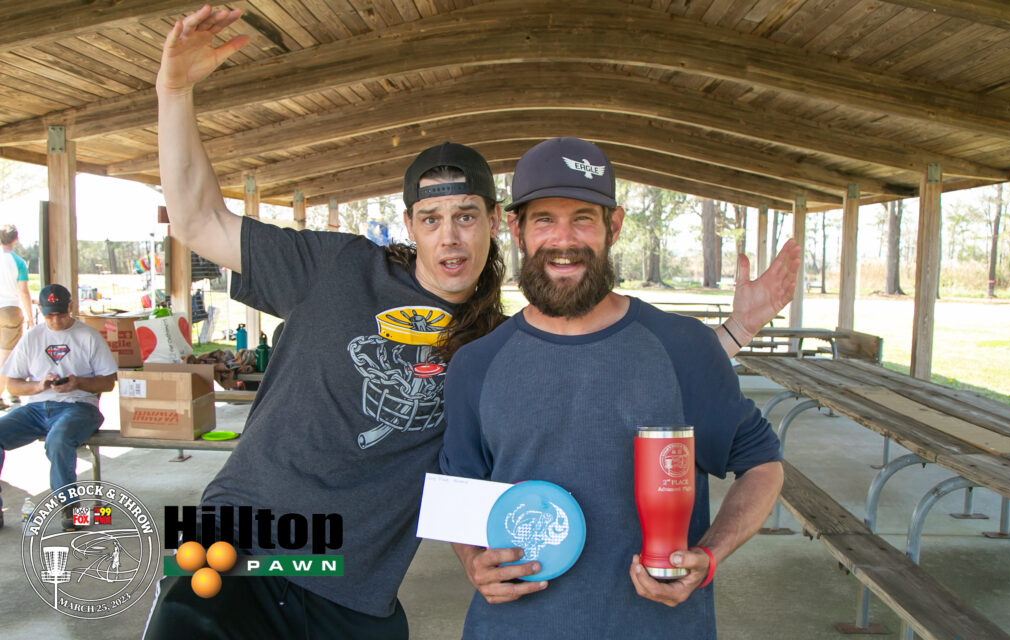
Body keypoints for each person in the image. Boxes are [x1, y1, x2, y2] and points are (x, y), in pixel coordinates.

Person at [145, 7, 798, 638]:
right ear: (411, 224)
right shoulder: (338, 268)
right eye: (432, 219)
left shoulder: (491, 344)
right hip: (244, 542)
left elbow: (610, 367)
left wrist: (734, 333)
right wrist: (173, 92)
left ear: (493, 223)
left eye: (466, 216)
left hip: (356, 583)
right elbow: (199, 221)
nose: (450, 238)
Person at [441, 137, 786, 639]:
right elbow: (458, 490)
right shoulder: (477, 363)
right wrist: (474, 560)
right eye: (544, 219)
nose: (563, 240)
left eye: (583, 218)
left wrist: (710, 555)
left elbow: (763, 465)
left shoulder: (682, 347)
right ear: (516, 230)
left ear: (614, 226)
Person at [0, 284, 117, 530]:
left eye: (61, 314)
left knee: (59, 439)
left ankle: (70, 508)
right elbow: (12, 384)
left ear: (71, 307)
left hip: (79, 406)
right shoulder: (32, 337)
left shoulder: (88, 336)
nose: (55, 320)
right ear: (40, 310)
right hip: (36, 408)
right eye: (49, 315)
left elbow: (108, 382)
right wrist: (38, 385)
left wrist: (78, 382)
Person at [0, 224, 35, 409]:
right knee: (7, 356)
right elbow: (23, 291)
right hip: (10, 309)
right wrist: (30, 316)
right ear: (16, 239)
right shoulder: (18, 262)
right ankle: (10, 392)